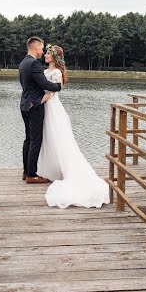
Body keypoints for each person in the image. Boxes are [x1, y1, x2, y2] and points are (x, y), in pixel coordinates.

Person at [37, 44, 110, 208]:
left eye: (49, 53)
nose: (46, 55)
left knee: (58, 138)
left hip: (52, 108)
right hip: (46, 107)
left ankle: (65, 171)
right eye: (47, 52)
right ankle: (51, 169)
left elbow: (51, 93)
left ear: (55, 57)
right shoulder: (45, 71)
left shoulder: (56, 73)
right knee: (48, 138)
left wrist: (36, 103)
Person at [19, 36, 62, 184]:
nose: (42, 51)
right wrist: (58, 87)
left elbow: (28, 86)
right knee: (35, 140)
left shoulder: (23, 63)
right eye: (42, 48)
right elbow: (44, 83)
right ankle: (32, 174)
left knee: (28, 139)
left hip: (24, 105)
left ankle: (26, 171)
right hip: (35, 106)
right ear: (36, 48)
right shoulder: (35, 64)